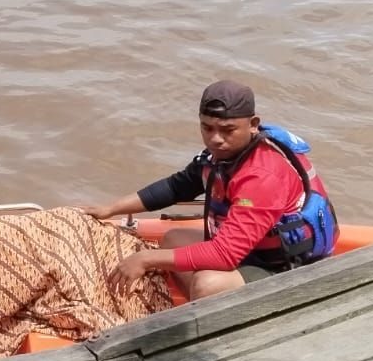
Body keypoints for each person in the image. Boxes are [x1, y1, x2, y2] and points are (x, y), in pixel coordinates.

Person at [85, 80, 339, 300]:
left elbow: (225, 254)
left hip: (282, 266)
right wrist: (111, 209)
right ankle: (199, 309)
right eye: (207, 128)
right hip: (251, 249)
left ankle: (212, 321)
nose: (215, 139)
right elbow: (176, 187)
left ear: (253, 124)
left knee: (207, 284)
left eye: (228, 130)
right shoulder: (221, 156)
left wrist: (145, 259)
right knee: (173, 238)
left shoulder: (262, 176)